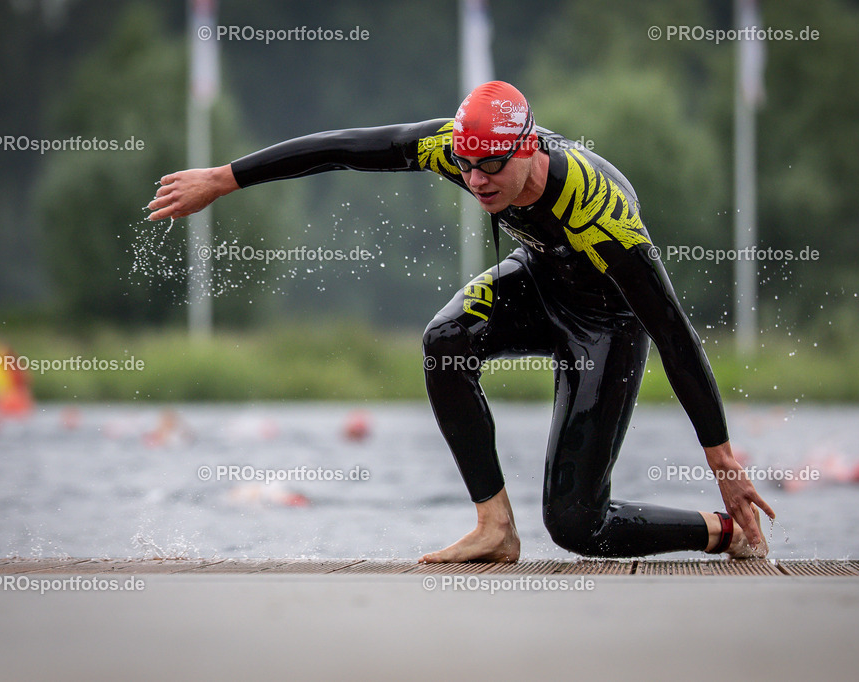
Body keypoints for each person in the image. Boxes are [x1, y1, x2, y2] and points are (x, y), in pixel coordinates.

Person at [147, 80, 775, 562]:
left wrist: (724, 465)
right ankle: (495, 526)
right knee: (445, 341)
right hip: (539, 282)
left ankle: (722, 535)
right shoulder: (458, 147)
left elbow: (673, 331)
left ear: (528, 149)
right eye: (467, 165)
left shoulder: (599, 210)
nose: (476, 181)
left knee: (578, 525)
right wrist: (224, 178)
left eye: (492, 167)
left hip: (607, 327)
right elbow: (340, 147)